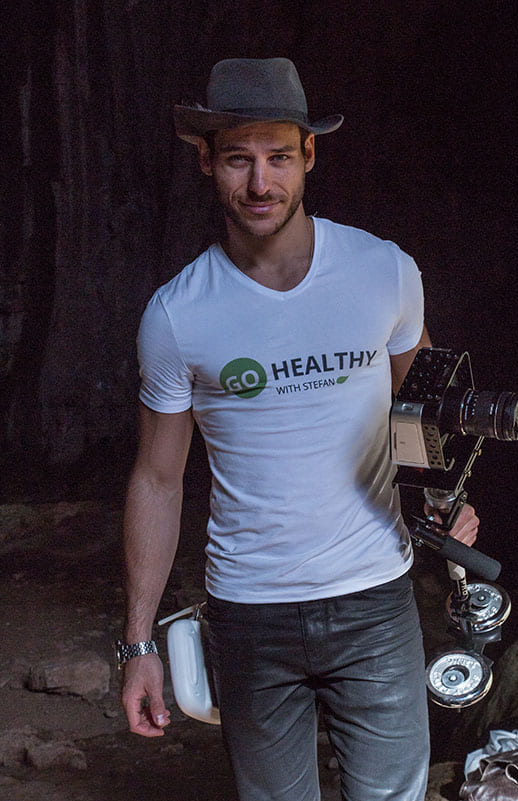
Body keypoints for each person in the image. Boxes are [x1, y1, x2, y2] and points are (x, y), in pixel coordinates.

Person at [119, 57, 479, 801]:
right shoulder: (178, 314)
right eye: (239, 160)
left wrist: (445, 498)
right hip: (251, 613)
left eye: (279, 157)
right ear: (206, 162)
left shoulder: (384, 272)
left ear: (309, 155)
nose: (260, 184)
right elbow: (157, 476)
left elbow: (426, 402)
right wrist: (139, 639)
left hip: (376, 598)